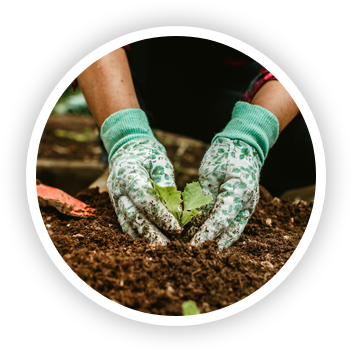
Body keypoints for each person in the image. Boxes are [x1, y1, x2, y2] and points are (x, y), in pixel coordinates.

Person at [76, 38, 315, 250]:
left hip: (238, 83)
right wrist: (125, 136)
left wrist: (251, 135)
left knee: (309, 140)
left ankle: (247, 190)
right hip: (153, 75)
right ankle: (126, 166)